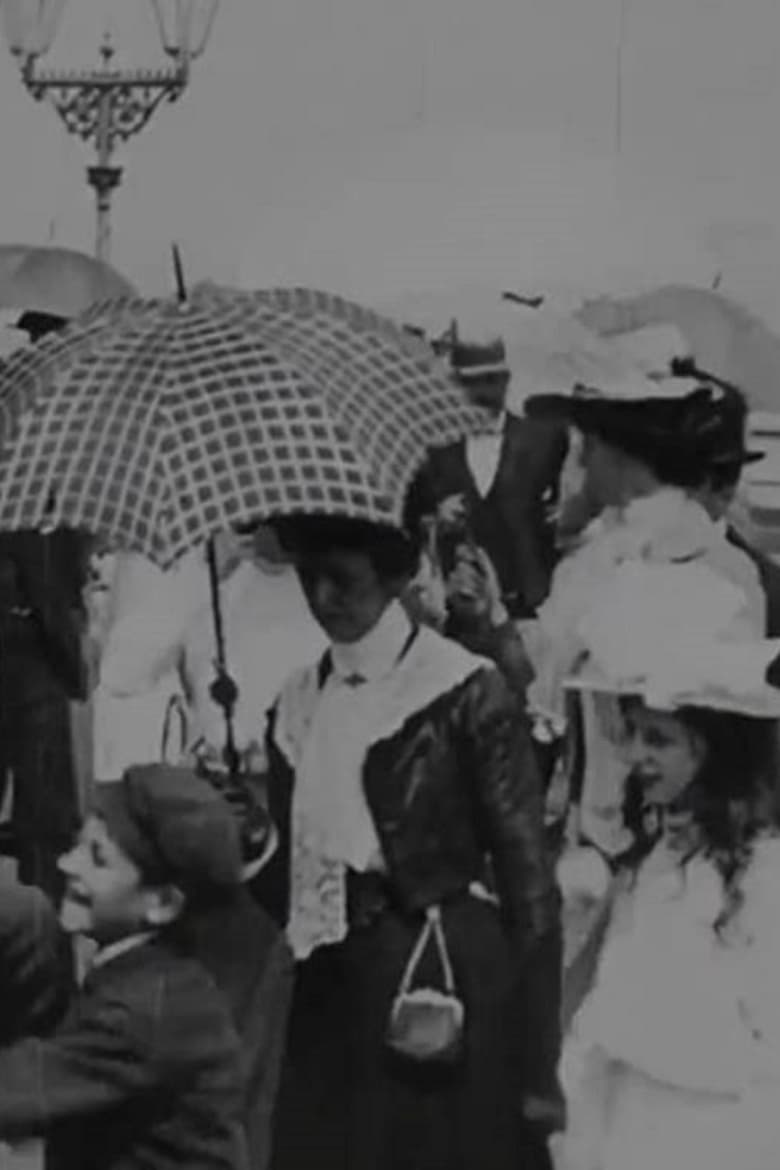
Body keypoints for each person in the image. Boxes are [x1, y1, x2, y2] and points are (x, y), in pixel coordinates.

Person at [255, 512, 563, 1170]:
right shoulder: (297, 700)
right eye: (310, 579)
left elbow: (528, 879)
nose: (323, 600)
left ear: (394, 576)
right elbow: (294, 866)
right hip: (327, 984)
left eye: (344, 581)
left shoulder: (462, 689)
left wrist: (537, 1061)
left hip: (435, 970)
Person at [552, 590, 780, 1170]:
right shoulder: (654, 860)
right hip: (632, 1122)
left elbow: (763, 1042)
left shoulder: (761, 873)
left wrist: (632, 1029)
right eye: (631, 734)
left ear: (716, 752)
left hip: (715, 1134)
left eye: (658, 740)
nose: (634, 755)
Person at [523, 374, 767, 857]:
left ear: (616, 453)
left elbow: (542, 700)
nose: (578, 467)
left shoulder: (600, 567)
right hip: (693, 839)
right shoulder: (729, 564)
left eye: (585, 449)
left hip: (636, 843)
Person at [0, 763, 249, 1170]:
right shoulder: (149, 973)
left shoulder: (141, 1014)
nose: (67, 863)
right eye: (79, 845)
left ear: (163, 903)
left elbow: (13, 1092)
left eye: (97, 859)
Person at [416, 332, 568, 621]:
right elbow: (412, 518)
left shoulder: (545, 438)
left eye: (490, 380)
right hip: (461, 608)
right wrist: (438, 515)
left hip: (532, 604)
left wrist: (557, 517)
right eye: (469, 383)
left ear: (507, 379)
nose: (481, 393)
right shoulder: (434, 448)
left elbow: (568, 510)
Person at [0, 527, 89, 898]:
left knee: (45, 811)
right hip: (34, 646)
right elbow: (54, 581)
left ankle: (43, 912)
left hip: (33, 640)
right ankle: (44, 922)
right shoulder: (46, 500)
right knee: (45, 812)